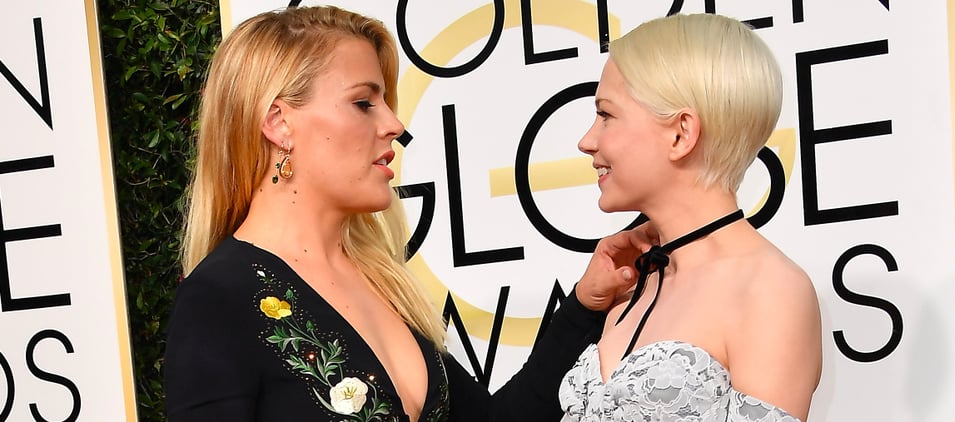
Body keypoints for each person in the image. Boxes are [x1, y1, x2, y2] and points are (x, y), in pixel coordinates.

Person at [163, 5, 655, 422]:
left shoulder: (379, 281)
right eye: (363, 103)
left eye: (386, 102)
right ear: (278, 123)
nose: (394, 124)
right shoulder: (217, 300)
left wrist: (583, 307)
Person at [558, 13, 823, 422]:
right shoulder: (632, 283)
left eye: (606, 115)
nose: (586, 141)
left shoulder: (770, 291)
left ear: (681, 133)